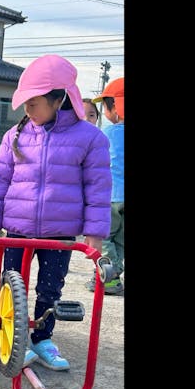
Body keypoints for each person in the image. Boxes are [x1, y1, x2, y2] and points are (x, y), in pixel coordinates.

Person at [0, 54, 111, 371]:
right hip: (18, 229)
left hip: (61, 232)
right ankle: (9, 337)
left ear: (58, 99)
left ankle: (41, 338)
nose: (27, 110)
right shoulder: (16, 135)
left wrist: (94, 235)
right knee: (10, 285)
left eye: (33, 103)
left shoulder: (90, 138)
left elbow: (98, 188)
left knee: (50, 289)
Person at [86, 77, 125, 294]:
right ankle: (115, 275)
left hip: (110, 197)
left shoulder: (106, 134)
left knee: (105, 237)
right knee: (121, 240)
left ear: (116, 110)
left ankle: (108, 279)